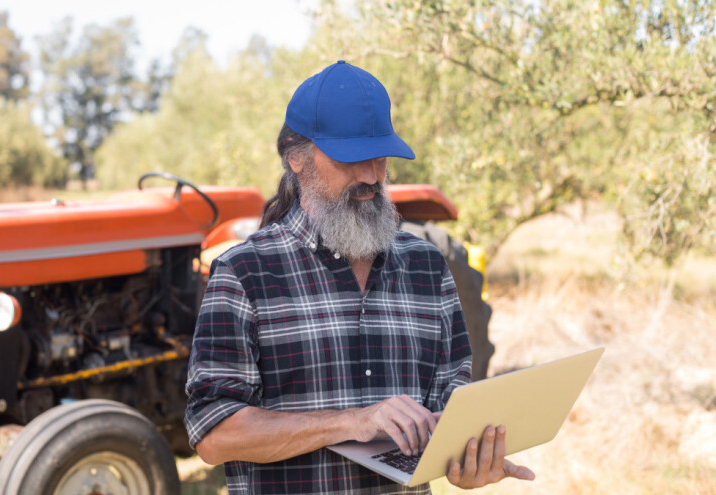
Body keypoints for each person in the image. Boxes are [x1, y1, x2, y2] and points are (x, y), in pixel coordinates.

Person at [184, 60, 535, 494]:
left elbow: (451, 411)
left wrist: (468, 462)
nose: (370, 176)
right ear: (296, 157)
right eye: (350, 158)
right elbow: (214, 435)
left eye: (380, 156)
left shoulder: (427, 268)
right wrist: (354, 421)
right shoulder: (244, 273)